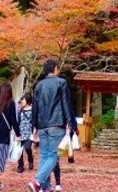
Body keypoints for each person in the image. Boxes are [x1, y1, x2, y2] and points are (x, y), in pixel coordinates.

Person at [27, 59, 72, 192]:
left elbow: (35, 107)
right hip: (56, 123)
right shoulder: (61, 82)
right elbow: (65, 103)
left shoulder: (39, 85)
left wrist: (34, 124)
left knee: (44, 156)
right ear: (55, 68)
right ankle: (37, 182)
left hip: (42, 125)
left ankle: (45, 187)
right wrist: (69, 121)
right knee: (53, 155)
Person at [17, 93, 34, 173]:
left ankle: (30, 160)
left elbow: (34, 122)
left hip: (29, 133)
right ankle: (20, 166)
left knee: (27, 147)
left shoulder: (33, 110)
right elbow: (18, 121)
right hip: (21, 132)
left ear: (27, 100)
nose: (21, 101)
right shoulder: (20, 110)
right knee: (19, 150)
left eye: (23, 99)